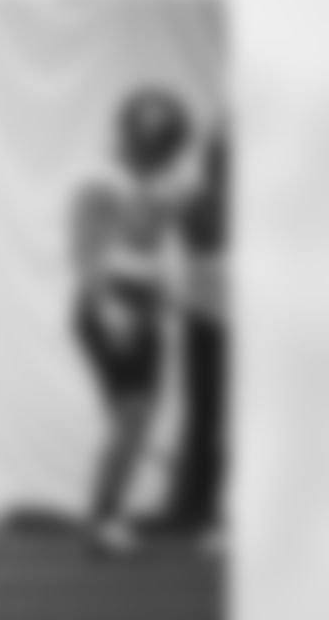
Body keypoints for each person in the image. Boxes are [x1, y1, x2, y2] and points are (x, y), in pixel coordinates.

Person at [71, 87, 192, 555]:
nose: (158, 152)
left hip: (141, 306)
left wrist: (162, 295)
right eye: (149, 139)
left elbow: (150, 250)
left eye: (164, 144)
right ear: (130, 136)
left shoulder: (160, 185)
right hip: (109, 305)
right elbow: (85, 253)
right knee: (131, 419)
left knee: (135, 423)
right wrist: (108, 308)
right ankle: (104, 519)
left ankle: (108, 514)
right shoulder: (100, 181)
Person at [160, 128, 230, 551]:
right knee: (205, 415)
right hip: (204, 315)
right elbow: (193, 237)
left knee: (221, 416)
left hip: (226, 317)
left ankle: (215, 509)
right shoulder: (199, 201)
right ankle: (196, 506)